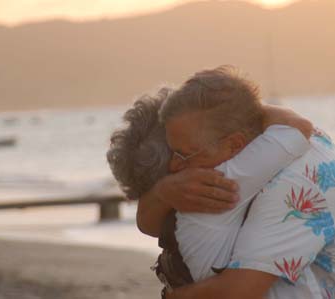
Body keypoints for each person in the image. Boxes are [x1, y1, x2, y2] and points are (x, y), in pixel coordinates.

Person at [136, 66, 335, 299]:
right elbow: (149, 224)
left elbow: (237, 292)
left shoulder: (291, 179)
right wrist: (163, 191)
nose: (174, 166)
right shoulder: (265, 150)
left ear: (234, 145)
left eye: (184, 154)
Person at [107, 71, 317, 298]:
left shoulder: (227, 179)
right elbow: (297, 126)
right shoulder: (217, 182)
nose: (179, 166)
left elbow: (147, 224)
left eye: (184, 154)